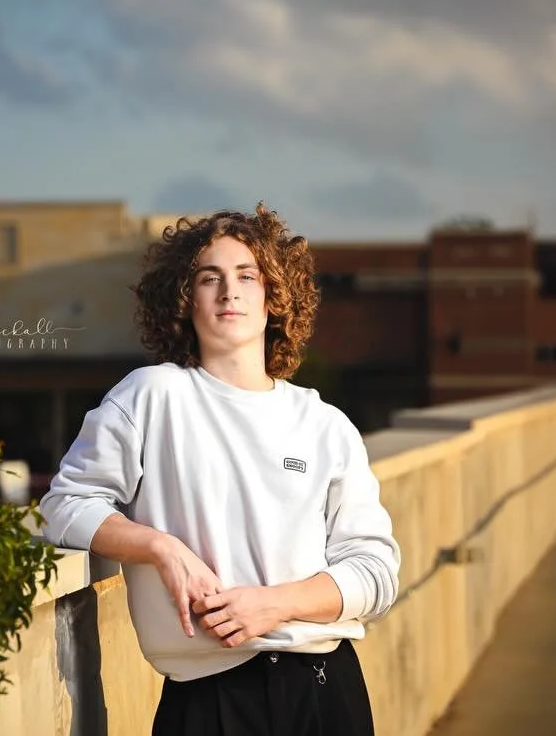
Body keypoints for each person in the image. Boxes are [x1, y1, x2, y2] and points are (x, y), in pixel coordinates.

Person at [38, 203, 401, 736]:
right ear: (185, 301)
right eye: (210, 278)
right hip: (207, 699)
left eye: (247, 276)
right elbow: (64, 506)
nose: (229, 291)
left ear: (274, 298)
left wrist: (273, 606)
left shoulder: (324, 425)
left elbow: (375, 572)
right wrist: (162, 548)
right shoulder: (150, 397)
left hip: (324, 690)